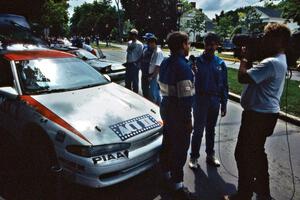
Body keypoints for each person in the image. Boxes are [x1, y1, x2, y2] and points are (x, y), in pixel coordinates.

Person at [223, 23, 291, 200]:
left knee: (243, 154)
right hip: (265, 115)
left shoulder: (272, 63)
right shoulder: (279, 59)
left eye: (267, 37)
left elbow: (243, 77)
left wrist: (245, 58)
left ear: (278, 40)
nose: (264, 40)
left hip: (258, 116)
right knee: (257, 154)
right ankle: (263, 192)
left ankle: (244, 194)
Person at [159, 31, 196, 200]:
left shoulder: (166, 62)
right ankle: (177, 186)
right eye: (188, 43)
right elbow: (185, 98)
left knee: (167, 143)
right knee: (180, 149)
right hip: (178, 112)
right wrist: (188, 121)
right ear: (182, 45)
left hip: (166, 107)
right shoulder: (183, 66)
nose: (189, 46)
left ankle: (165, 174)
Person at [189, 33, 228, 169]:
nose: (211, 47)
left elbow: (224, 85)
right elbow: (188, 79)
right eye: (208, 44)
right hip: (200, 99)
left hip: (214, 100)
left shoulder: (220, 63)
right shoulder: (196, 62)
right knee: (198, 130)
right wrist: (191, 70)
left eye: (214, 44)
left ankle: (210, 155)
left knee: (211, 129)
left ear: (217, 45)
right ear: (204, 45)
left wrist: (224, 103)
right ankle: (194, 157)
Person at [141, 33, 164, 105]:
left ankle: (155, 107)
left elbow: (158, 67)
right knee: (147, 91)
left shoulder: (158, 52)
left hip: (152, 76)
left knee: (153, 93)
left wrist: (152, 77)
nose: (146, 43)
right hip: (145, 74)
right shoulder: (147, 49)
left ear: (153, 42)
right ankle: (151, 104)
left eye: (147, 41)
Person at [124, 29, 143, 93]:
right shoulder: (129, 43)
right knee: (127, 80)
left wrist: (136, 63)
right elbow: (128, 53)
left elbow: (141, 56)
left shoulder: (140, 44)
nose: (130, 36)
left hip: (134, 65)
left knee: (135, 81)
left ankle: (135, 94)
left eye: (132, 35)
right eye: (130, 34)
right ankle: (128, 93)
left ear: (135, 35)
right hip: (128, 64)